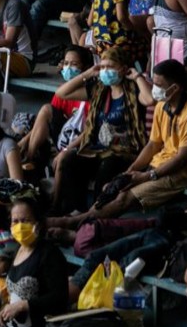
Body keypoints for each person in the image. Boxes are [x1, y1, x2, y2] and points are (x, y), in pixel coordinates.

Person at [55, 59, 187, 227]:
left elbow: (181, 159)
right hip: (158, 164)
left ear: (175, 88)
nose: (155, 88)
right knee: (115, 187)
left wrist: (146, 176)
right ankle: (83, 220)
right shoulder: (162, 105)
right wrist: (129, 173)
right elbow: (153, 145)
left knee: (124, 198)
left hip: (181, 173)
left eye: (159, 84)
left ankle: (75, 222)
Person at [50, 47, 149, 215]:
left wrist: (138, 77)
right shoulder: (99, 90)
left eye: (110, 67)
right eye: (102, 67)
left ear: (124, 69)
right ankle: (75, 210)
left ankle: (96, 212)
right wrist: (88, 73)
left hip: (125, 151)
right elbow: (61, 93)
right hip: (97, 149)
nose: (105, 71)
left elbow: (150, 99)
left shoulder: (133, 90)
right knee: (69, 160)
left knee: (108, 165)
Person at [0, 197, 68, 327]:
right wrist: (5, 309)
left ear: (38, 224)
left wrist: (24, 305)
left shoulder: (49, 254)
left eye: (25, 220)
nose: (19, 226)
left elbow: (60, 297)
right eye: (15, 221)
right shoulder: (17, 250)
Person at [16, 46, 94, 171]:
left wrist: (66, 150)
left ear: (85, 68)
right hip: (65, 134)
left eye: (74, 64)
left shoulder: (91, 92)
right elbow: (45, 118)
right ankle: (30, 158)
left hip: (81, 139)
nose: (68, 68)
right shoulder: (63, 90)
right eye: (66, 63)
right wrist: (26, 140)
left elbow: (89, 130)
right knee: (46, 110)